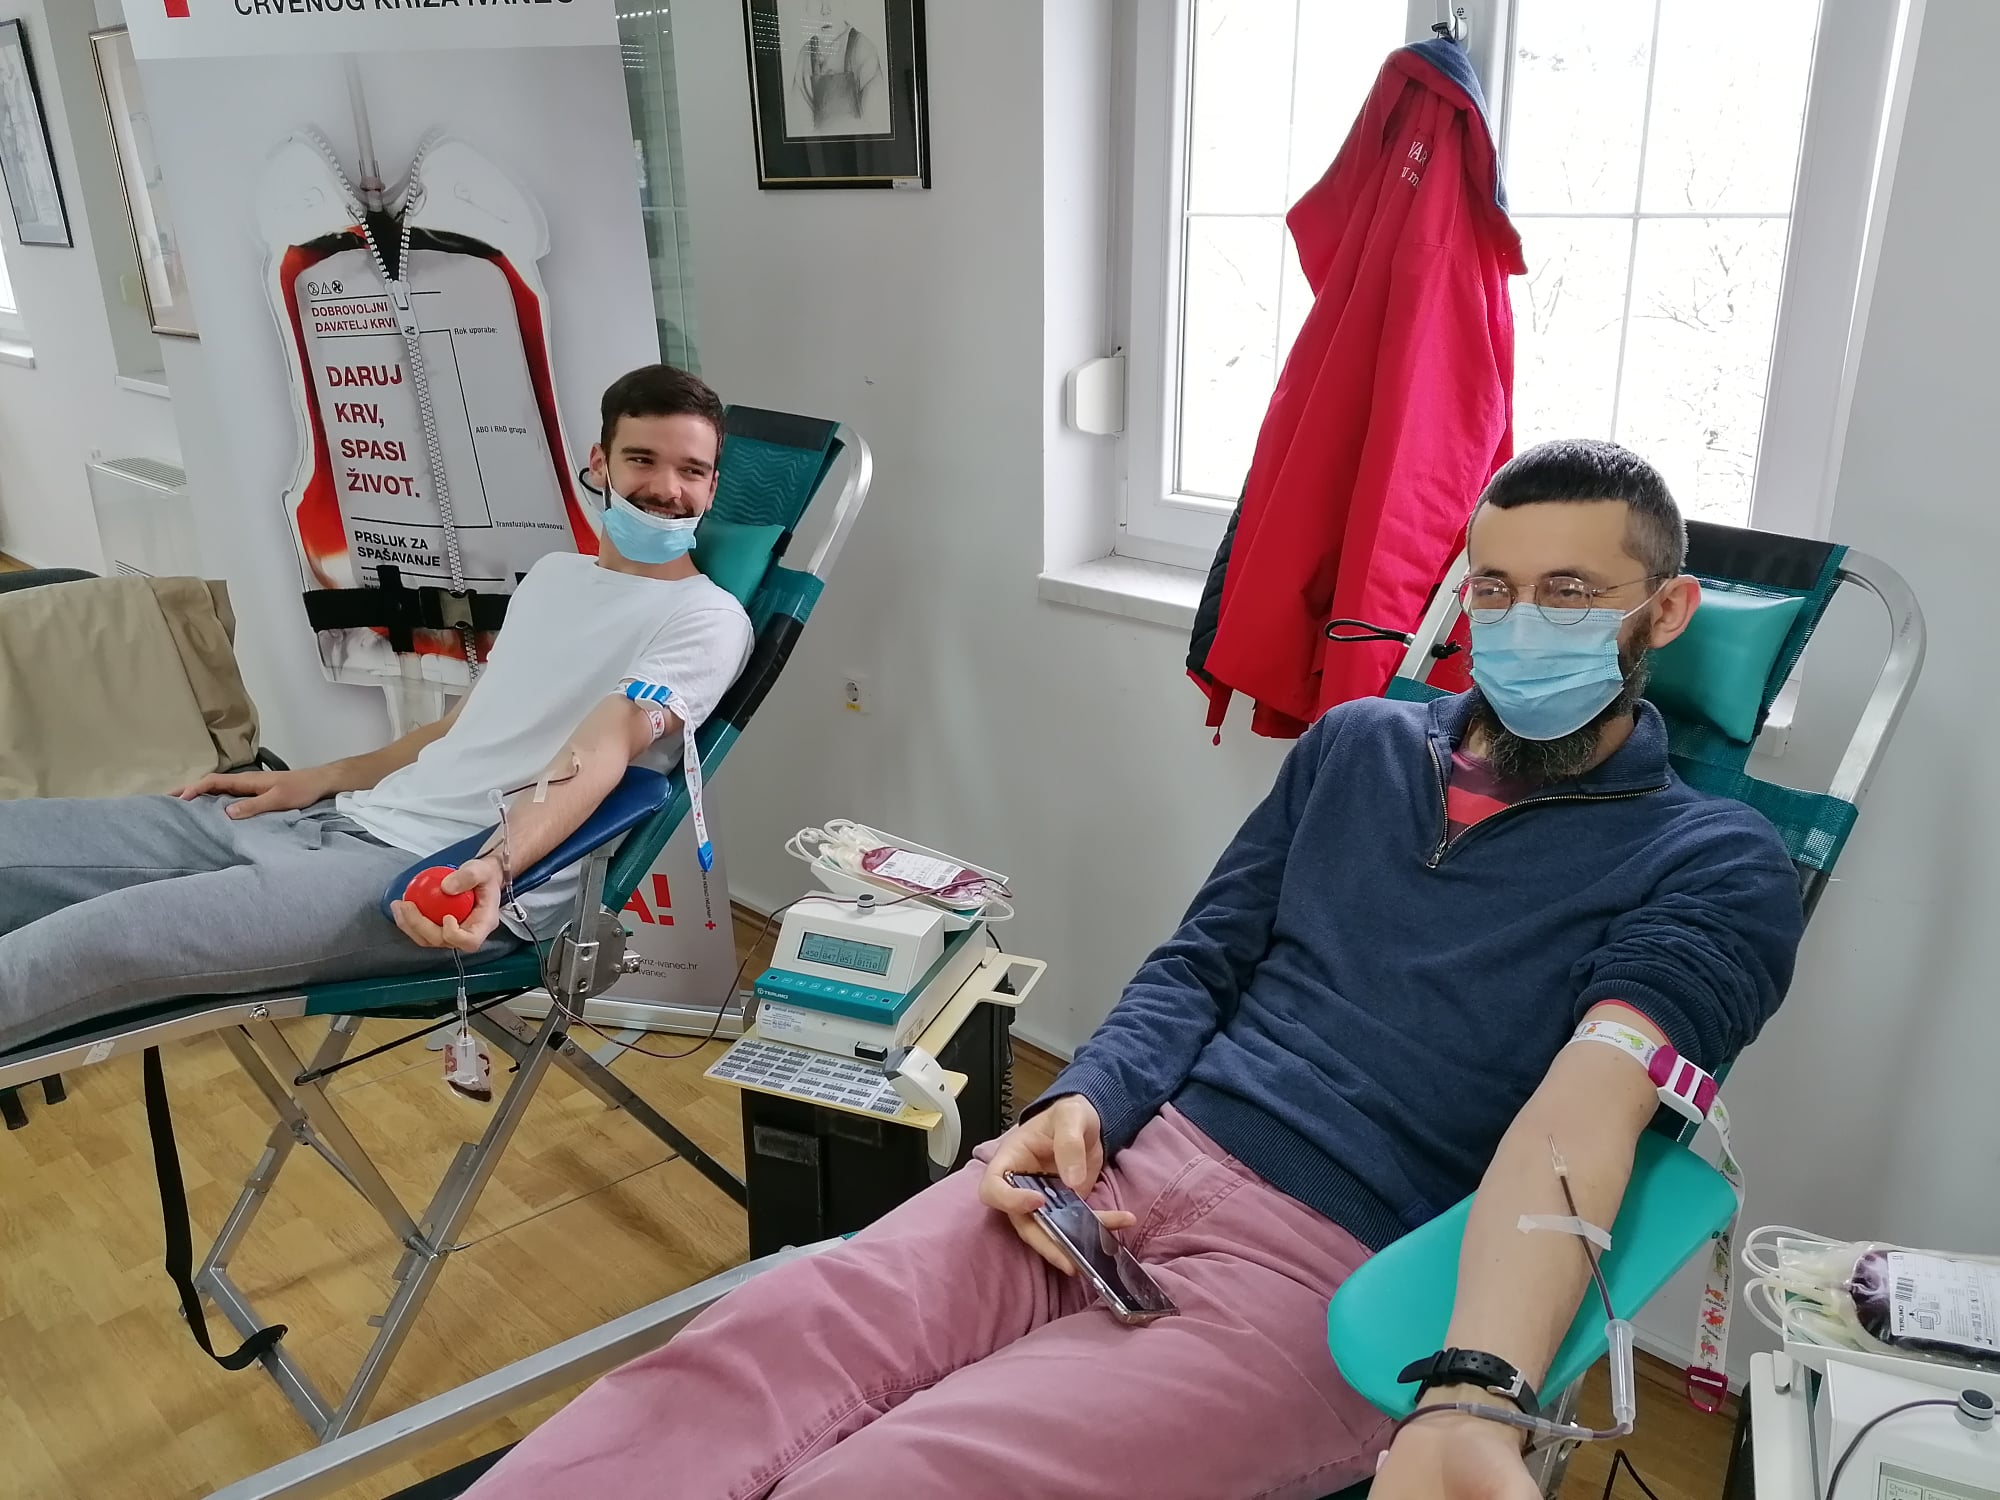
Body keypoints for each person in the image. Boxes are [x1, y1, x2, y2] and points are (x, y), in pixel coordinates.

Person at [463, 438, 1806, 1500]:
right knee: (759, 1348)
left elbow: (1587, 1116)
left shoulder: (1712, 862)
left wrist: (1472, 1389)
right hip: (1125, 1162)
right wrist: (1086, 1096)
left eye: (1568, 594)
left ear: (1665, 611)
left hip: (1327, 1271)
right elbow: (1204, 959)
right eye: (1495, 590)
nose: (1519, 624)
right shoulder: (1357, 750)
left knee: (902, 1475)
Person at [0, 364, 753, 1054]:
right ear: (601, 463)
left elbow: (603, 747)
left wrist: (494, 863)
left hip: (429, 878)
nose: (666, 488)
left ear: (712, 487)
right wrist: (315, 779)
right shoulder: (555, 576)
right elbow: (464, 727)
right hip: (340, 820)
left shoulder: (706, 620)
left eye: (691, 470)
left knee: (81, 949)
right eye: (642, 460)